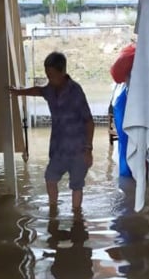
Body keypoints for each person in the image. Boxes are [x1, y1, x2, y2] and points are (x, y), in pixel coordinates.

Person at [9, 51, 94, 211]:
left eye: (53, 75)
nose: (50, 79)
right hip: (58, 149)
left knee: (76, 185)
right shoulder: (50, 89)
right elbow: (39, 91)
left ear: (62, 72)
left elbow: (89, 121)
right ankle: (53, 210)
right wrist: (18, 92)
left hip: (78, 148)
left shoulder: (75, 91)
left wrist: (88, 150)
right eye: (48, 75)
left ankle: (77, 217)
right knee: (50, 178)